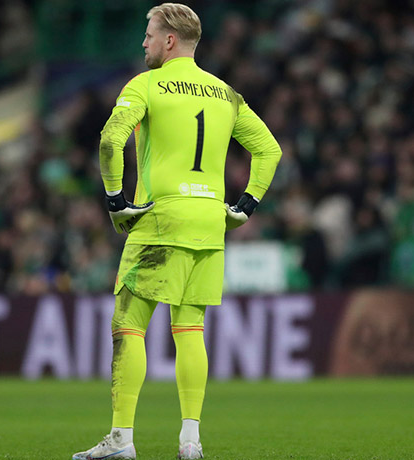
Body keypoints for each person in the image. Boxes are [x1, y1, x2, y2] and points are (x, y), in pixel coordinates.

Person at [72, 3, 281, 460]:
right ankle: (191, 441)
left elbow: (111, 140)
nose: (143, 42)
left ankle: (122, 440)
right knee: (190, 328)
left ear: (170, 41)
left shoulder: (145, 84)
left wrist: (114, 199)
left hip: (161, 217)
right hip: (209, 220)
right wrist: (245, 205)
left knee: (129, 325)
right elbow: (269, 149)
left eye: (149, 34)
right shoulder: (226, 94)